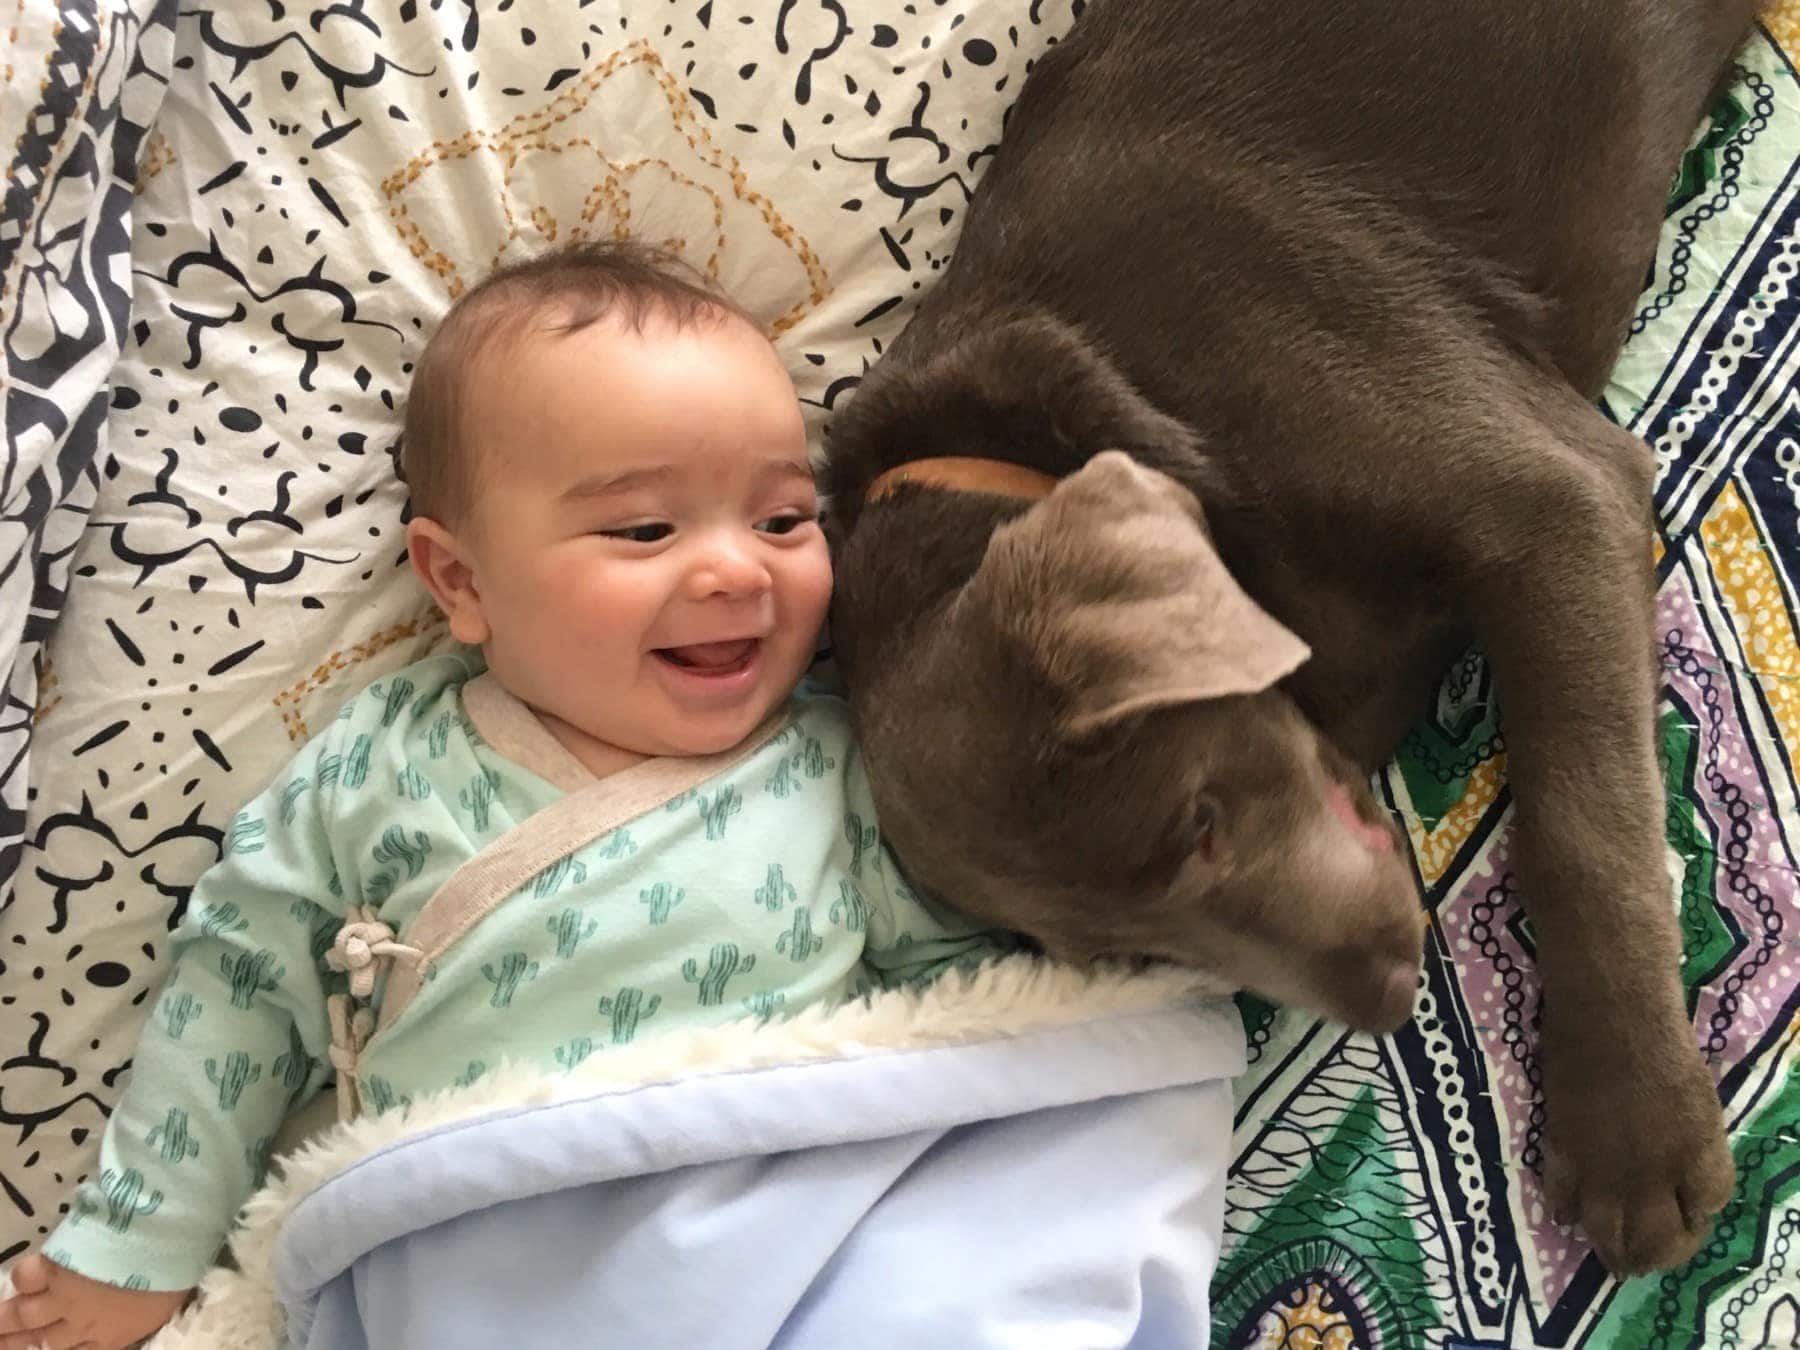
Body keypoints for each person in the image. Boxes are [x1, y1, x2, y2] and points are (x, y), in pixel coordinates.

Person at [0, 240, 1013, 1350]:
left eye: (782, 519)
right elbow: (235, 993)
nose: (738, 570)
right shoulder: (379, 768)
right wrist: (141, 1240)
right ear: (461, 582)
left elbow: (958, 1016)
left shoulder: (839, 768)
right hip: (469, 1253)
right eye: (644, 529)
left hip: (778, 1244)